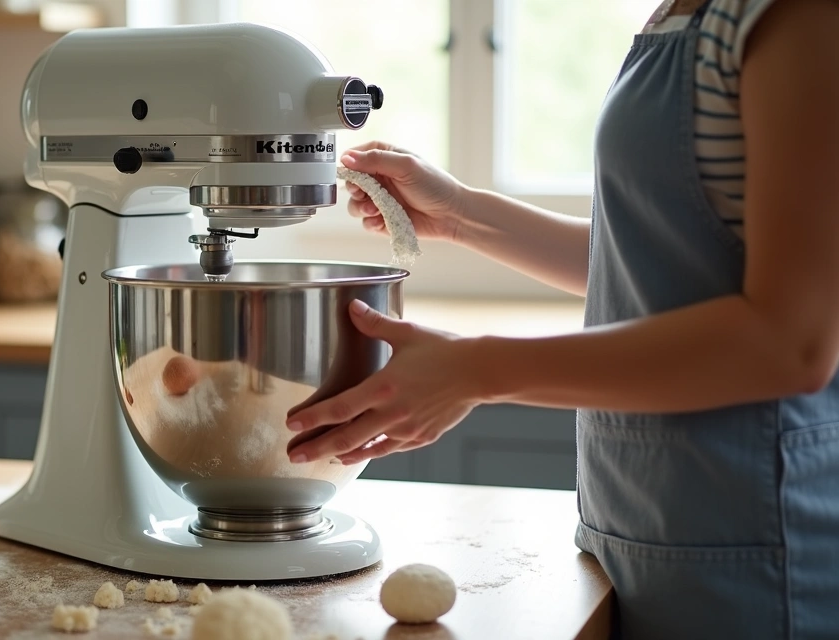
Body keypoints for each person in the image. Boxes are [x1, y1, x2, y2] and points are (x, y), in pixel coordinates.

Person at [284, 0, 839, 637]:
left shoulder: (801, 18)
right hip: (641, 532)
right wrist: (461, 214)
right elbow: (652, 262)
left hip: (754, 553)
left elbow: (788, 342)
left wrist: (475, 370)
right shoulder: (682, 12)